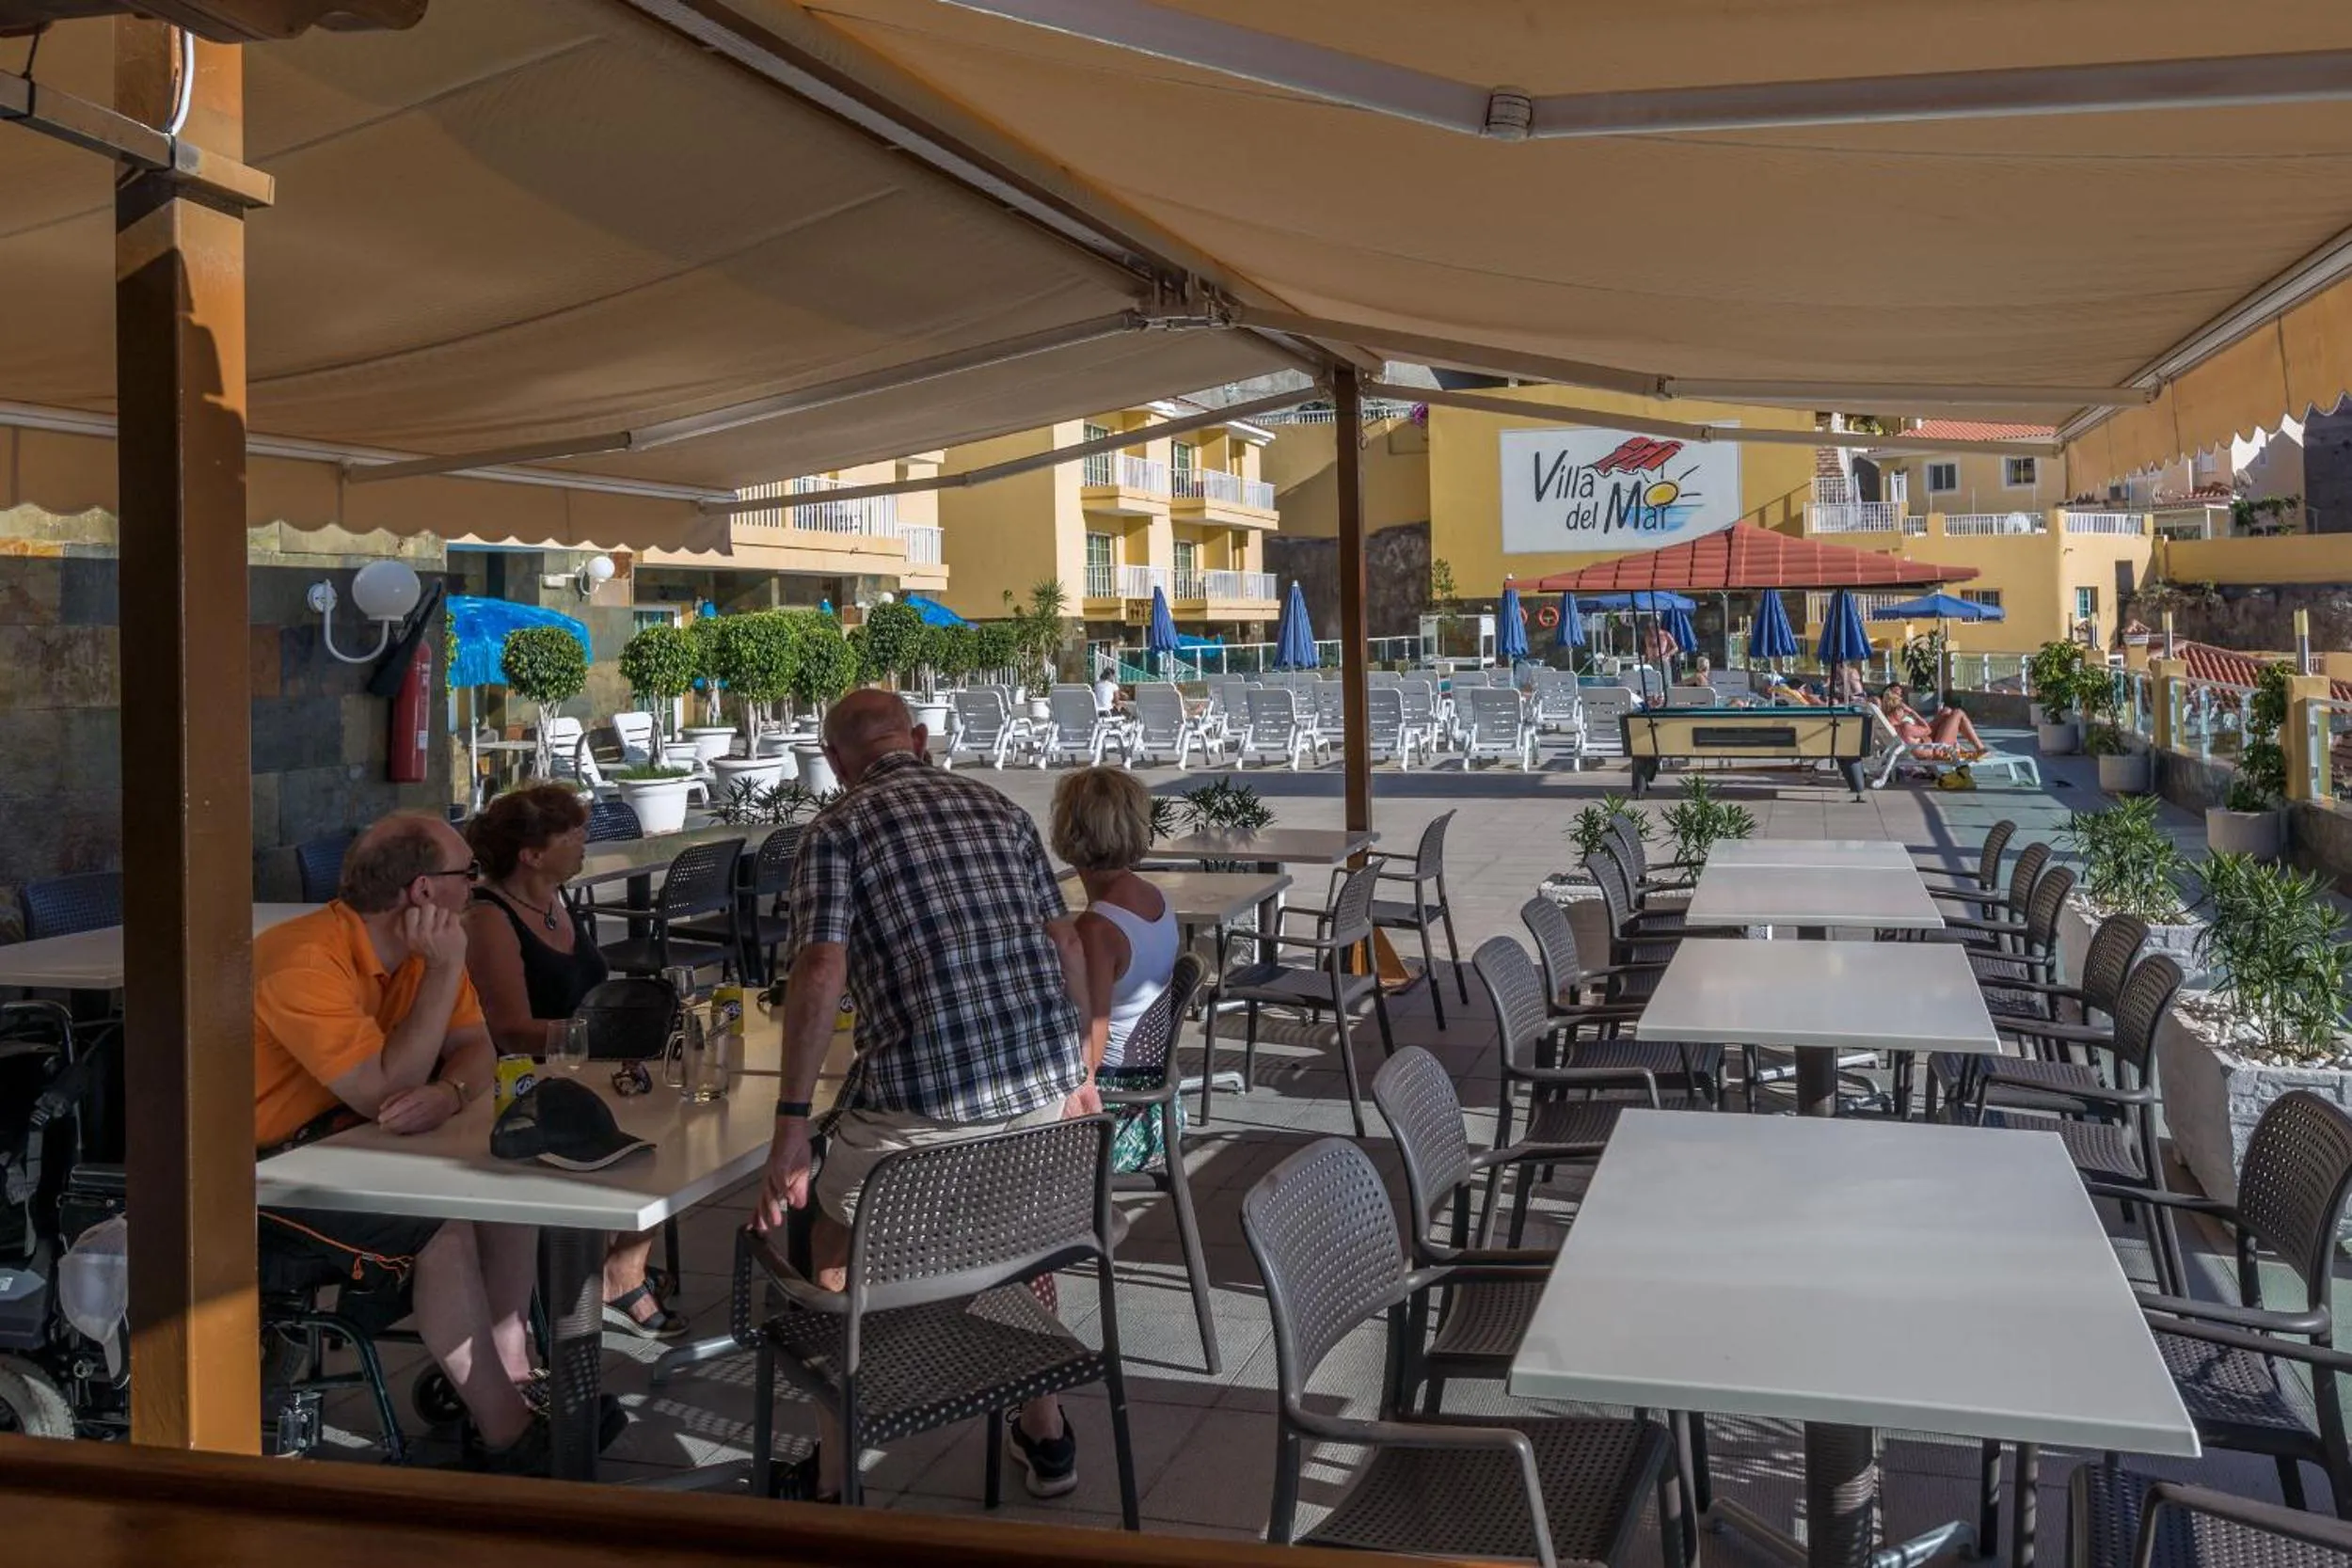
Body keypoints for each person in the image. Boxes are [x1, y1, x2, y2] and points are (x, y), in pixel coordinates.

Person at [756, 689, 1093, 1501]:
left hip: (920, 1116)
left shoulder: (836, 829)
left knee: (829, 1239)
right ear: (918, 738)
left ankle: (835, 1472)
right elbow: (1064, 941)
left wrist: (792, 1123)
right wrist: (1082, 1074)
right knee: (1019, 1235)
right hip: (1039, 1096)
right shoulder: (999, 809)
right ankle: (1046, 1430)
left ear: (835, 761)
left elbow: (821, 968)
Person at [253, 813, 548, 1472]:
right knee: (440, 1225)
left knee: (511, 1185)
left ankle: (511, 1374)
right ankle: (510, 1437)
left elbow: (478, 1049)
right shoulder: (305, 959)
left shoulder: (423, 950)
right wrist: (445, 972)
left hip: (344, 1146)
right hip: (255, 1174)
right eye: (468, 873)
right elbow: (383, 1092)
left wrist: (450, 1092)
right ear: (423, 890)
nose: (476, 886)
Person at [463, 784, 682, 1340]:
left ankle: (619, 1263)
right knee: (662, 1133)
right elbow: (508, 1029)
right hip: (528, 1087)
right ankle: (615, 1275)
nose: (585, 840)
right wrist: (602, 1035)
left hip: (582, 1072)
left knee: (687, 1123)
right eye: (572, 834)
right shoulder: (489, 918)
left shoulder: (553, 900)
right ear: (531, 854)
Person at [1050, 768, 1180, 1173]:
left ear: (1069, 830)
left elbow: (1091, 1043)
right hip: (1162, 1109)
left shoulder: (1098, 930)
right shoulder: (1154, 899)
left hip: (1120, 1120)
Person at [1881, 682, 1987, 758]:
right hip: (1938, 750)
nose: (1904, 713)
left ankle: (1961, 747)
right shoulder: (1905, 727)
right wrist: (1913, 712)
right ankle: (1980, 748)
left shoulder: (1890, 725)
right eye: (1903, 710)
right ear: (1897, 710)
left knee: (1946, 711)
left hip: (1931, 743)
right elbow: (1927, 729)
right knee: (1958, 713)